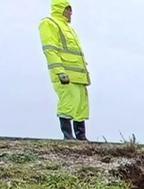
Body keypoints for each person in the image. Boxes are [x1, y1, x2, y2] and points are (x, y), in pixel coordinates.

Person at [39, 1, 90, 141]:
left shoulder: (69, 28)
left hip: (79, 75)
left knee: (81, 105)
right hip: (65, 73)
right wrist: (59, 71)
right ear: (61, 9)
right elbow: (50, 50)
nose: (70, 13)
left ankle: (81, 137)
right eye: (68, 9)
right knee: (68, 102)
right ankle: (68, 136)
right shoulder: (49, 23)